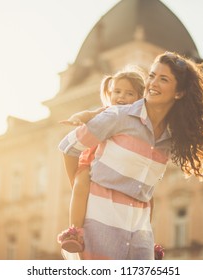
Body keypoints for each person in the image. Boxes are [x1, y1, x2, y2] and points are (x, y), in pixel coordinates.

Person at [58, 51, 203, 260]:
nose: (153, 83)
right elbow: (69, 147)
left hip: (140, 239)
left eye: (163, 79)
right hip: (99, 231)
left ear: (179, 92)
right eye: (151, 76)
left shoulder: (171, 137)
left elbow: (146, 192)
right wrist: (83, 190)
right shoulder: (118, 115)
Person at [57, 66, 146, 254]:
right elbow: (87, 115)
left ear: (139, 98)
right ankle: (74, 231)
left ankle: (144, 241)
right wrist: (76, 119)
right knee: (80, 185)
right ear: (110, 93)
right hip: (92, 160)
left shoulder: (139, 120)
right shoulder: (107, 112)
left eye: (129, 93)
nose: (121, 97)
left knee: (146, 198)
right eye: (117, 92)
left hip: (122, 168)